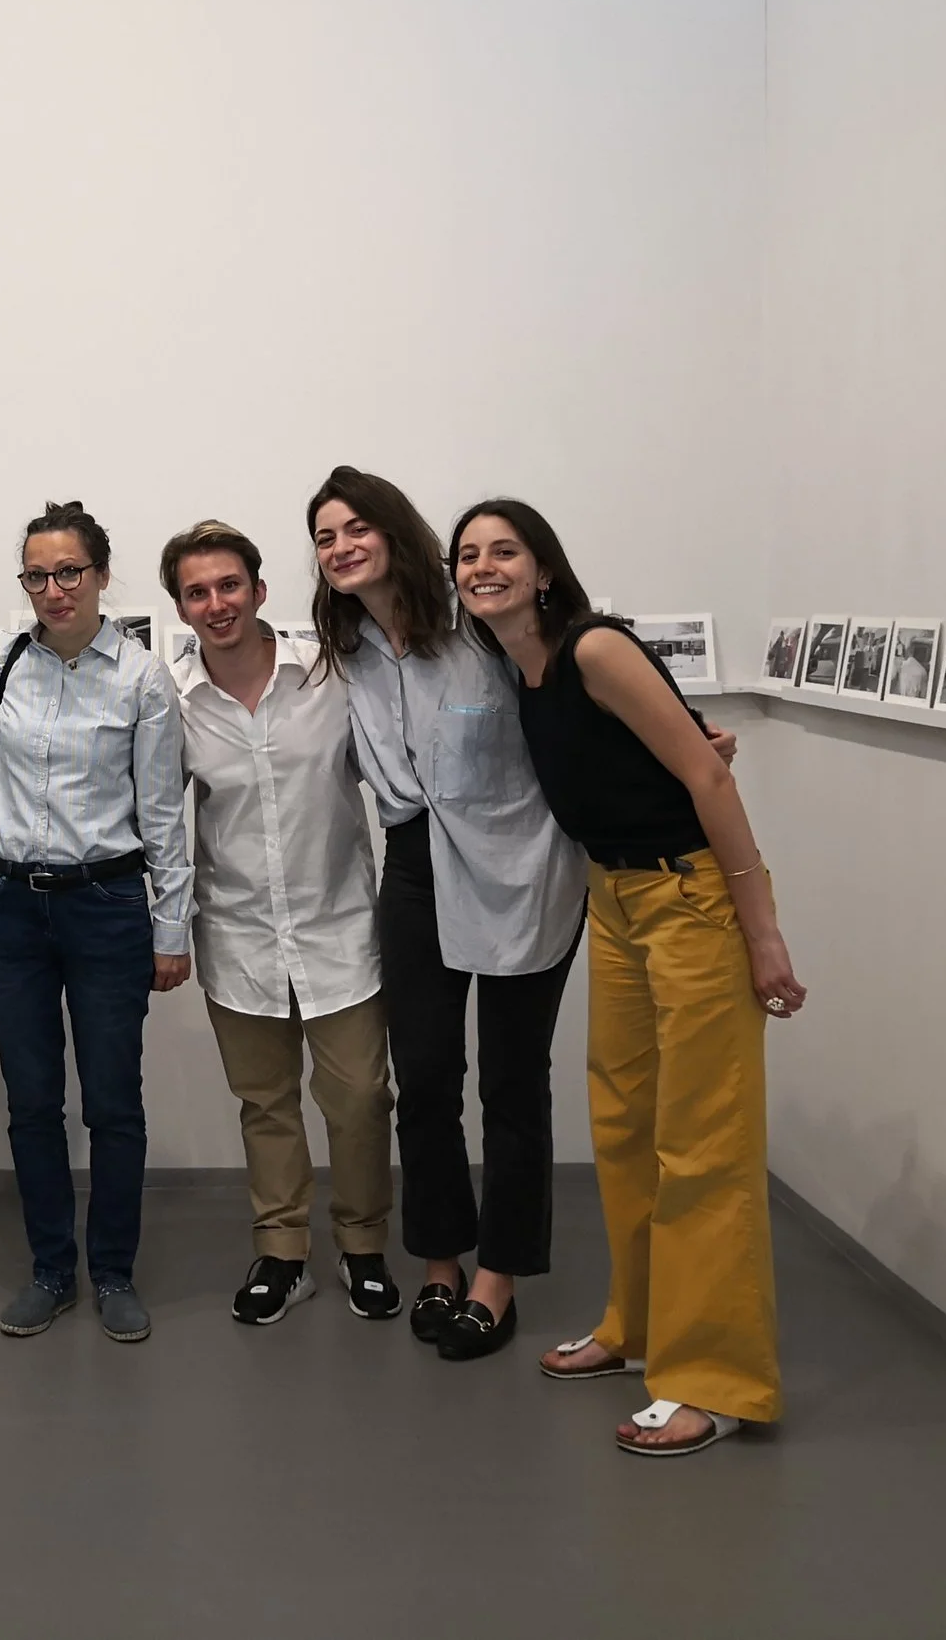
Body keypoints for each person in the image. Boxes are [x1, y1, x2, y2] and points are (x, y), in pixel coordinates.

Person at [450, 498, 805, 1457]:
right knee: (626, 1127)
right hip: (614, 901)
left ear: (543, 567)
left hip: (692, 899)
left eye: (504, 550)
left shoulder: (595, 648)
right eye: (469, 555)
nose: (484, 566)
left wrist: (760, 930)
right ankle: (639, 1327)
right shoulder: (519, 669)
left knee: (704, 1141)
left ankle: (716, 1382)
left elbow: (709, 777)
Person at [307, 466, 585, 1363]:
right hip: (415, 863)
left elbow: (583, 695)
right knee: (424, 1076)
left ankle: (499, 1277)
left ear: (394, 531)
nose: (341, 546)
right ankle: (440, 1259)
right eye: (325, 536)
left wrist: (689, 732)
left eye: (356, 527)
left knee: (512, 1080)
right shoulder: (345, 646)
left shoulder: (483, 628)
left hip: (521, 864)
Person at [0, 502, 193, 1343]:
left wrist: (171, 929)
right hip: (11, 904)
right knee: (31, 1100)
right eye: (37, 575)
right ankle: (51, 1269)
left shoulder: (141, 678)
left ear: (100, 575)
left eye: (69, 572)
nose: (53, 590)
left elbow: (163, 815)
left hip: (106, 907)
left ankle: (113, 1271)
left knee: (113, 1102)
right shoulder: (2, 660)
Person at [162, 521, 398, 1327]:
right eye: (197, 592)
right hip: (238, 935)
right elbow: (159, 820)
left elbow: (400, 761)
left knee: (361, 1098)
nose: (216, 603)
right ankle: (282, 1251)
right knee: (265, 1104)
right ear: (181, 608)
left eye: (230, 585)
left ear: (259, 590)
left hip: (339, 929)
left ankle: (363, 1244)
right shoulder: (175, 700)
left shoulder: (331, 674)